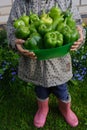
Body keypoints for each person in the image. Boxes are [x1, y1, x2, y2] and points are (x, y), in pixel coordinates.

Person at [7, 0, 86, 128]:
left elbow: (76, 22)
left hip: (59, 62)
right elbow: (11, 28)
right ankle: (43, 109)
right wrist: (15, 42)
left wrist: (80, 34)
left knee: (61, 88)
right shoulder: (20, 3)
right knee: (40, 88)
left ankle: (65, 108)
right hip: (34, 61)